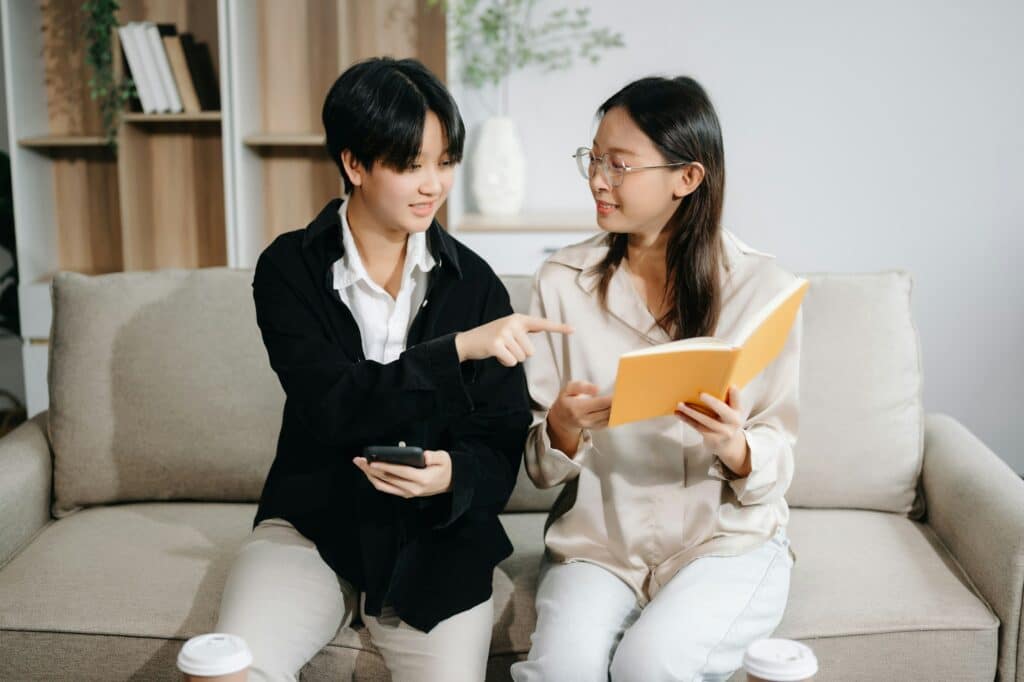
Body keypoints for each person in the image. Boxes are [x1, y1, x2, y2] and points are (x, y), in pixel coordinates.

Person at [215, 57, 570, 682]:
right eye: (411, 165)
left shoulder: (476, 285)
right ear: (354, 164)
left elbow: (501, 437)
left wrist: (453, 475)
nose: (434, 185)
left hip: (438, 540)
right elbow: (331, 404)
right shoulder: (289, 270)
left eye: (445, 162)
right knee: (230, 669)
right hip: (312, 526)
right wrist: (456, 350)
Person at [511, 76, 802, 682]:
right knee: (562, 671)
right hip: (600, 546)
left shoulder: (761, 289)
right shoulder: (560, 282)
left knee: (650, 664)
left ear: (686, 178)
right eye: (593, 159)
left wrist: (736, 446)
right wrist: (561, 428)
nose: (597, 180)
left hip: (723, 542)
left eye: (618, 165)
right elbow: (539, 468)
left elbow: (778, 452)